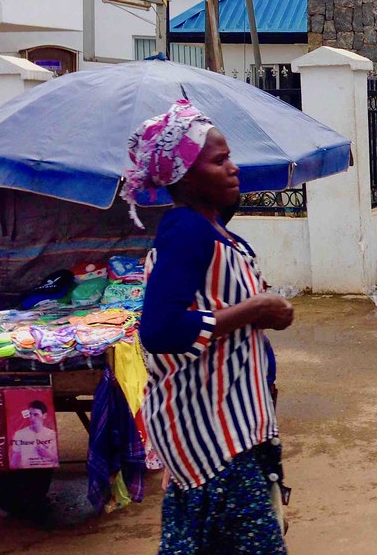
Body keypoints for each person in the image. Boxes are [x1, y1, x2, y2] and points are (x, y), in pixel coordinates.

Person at [123, 99, 294, 555]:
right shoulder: (185, 231)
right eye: (220, 161)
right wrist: (256, 309)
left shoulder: (215, 230)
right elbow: (159, 329)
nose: (234, 169)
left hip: (233, 428)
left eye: (230, 157)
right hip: (212, 438)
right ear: (183, 176)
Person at [9, 399, 59, 469]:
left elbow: (57, 459)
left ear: (44, 416)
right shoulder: (19, 434)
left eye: (36, 414)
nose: (32, 418)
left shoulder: (51, 434)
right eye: (30, 414)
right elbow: (14, 461)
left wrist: (49, 455)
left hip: (46, 470)